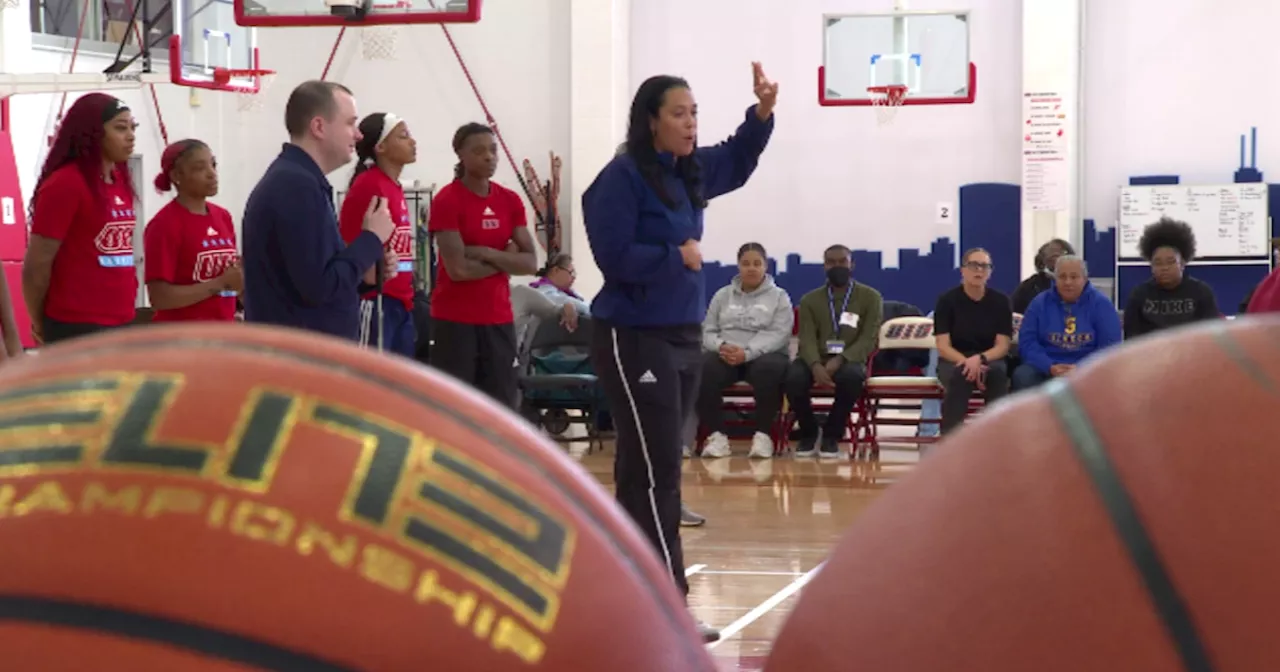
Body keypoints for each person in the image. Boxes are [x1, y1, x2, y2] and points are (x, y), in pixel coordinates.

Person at [581, 63, 778, 641]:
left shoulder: (688, 172)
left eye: (694, 112)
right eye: (679, 113)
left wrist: (762, 113)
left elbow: (735, 161)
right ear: (651, 121)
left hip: (683, 335)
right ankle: (666, 608)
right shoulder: (619, 179)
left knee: (647, 469)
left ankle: (623, 598)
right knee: (655, 472)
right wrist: (677, 257)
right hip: (633, 335)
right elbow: (613, 257)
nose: (691, 123)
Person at [241, 80, 397, 341]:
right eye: (350, 123)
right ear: (319, 127)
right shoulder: (295, 186)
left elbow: (307, 278)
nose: (358, 135)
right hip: (298, 359)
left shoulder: (299, 180)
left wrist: (362, 274)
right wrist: (371, 240)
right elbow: (320, 288)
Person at [428, 122, 538, 406]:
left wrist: (487, 253)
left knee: (501, 406)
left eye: (493, 150)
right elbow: (459, 270)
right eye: (479, 151)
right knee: (456, 409)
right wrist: (506, 258)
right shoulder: (447, 201)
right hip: (456, 322)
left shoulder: (510, 200)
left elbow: (530, 263)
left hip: (499, 319)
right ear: (461, 156)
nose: (489, 157)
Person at [22, 93, 138, 346]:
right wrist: (39, 321)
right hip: (77, 325)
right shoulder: (66, 183)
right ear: (93, 132)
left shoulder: (120, 181)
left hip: (123, 320)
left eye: (132, 127)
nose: (130, 135)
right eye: (120, 128)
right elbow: (37, 264)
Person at [696, 242, 792, 459]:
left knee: (769, 370)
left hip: (763, 355)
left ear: (765, 266)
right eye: (746, 263)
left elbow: (779, 334)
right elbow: (707, 331)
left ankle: (763, 437)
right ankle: (717, 437)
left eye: (757, 263)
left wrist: (747, 353)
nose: (751, 268)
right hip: (727, 354)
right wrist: (721, 347)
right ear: (738, 266)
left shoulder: (779, 297)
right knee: (703, 369)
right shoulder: (722, 296)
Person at [786, 244, 882, 458]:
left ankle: (832, 434)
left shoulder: (870, 297)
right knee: (793, 378)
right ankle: (809, 431)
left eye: (842, 262)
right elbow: (807, 338)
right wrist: (815, 365)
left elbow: (869, 339)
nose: (837, 266)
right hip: (814, 358)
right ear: (824, 267)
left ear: (852, 265)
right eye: (832, 262)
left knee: (852, 378)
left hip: (849, 358)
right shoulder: (810, 300)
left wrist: (840, 360)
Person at [339, 112, 419, 356]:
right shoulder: (370, 184)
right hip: (376, 302)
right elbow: (348, 240)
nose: (413, 141)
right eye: (403, 136)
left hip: (400, 301)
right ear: (381, 147)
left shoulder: (392, 186)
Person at [143, 139, 242, 323]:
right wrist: (219, 283)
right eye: (199, 168)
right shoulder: (163, 225)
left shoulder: (223, 217)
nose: (212, 174)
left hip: (223, 332)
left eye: (213, 165)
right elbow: (160, 298)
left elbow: (231, 280)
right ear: (176, 175)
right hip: (182, 338)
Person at [931, 248, 1013, 434]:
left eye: (985, 266)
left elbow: (1002, 345)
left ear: (990, 271)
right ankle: (950, 442)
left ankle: (998, 439)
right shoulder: (946, 301)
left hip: (988, 359)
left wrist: (980, 360)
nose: (979, 270)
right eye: (974, 265)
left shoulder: (1000, 302)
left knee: (998, 374)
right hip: (954, 359)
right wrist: (968, 362)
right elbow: (943, 346)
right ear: (963, 270)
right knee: (960, 375)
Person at [1012, 255, 1122, 390]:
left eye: (1074, 277)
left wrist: (1081, 368)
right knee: (1022, 376)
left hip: (1089, 368)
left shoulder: (1102, 305)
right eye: (1062, 277)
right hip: (1046, 367)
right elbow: (1027, 343)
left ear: (1084, 279)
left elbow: (1110, 347)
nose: (1068, 282)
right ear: (1055, 279)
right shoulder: (1039, 304)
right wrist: (1049, 366)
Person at [1122, 217, 1220, 339]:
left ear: (1182, 263)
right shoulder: (1139, 295)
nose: (1164, 268)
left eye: (1170, 262)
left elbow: (1211, 336)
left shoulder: (1201, 292)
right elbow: (1131, 340)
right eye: (1158, 263)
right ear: (1151, 266)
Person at [1011, 238, 1075, 314]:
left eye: (1063, 255)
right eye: (1053, 257)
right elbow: (1015, 314)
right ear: (1042, 261)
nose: (1058, 260)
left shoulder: (1081, 284)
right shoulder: (1029, 286)